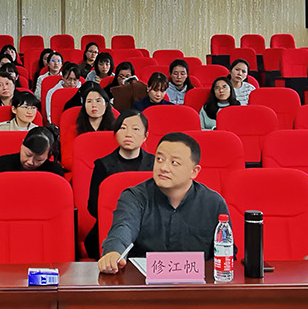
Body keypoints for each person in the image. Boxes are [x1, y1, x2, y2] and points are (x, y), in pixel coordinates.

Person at [98, 132, 229, 271]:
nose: (164, 168)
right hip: (142, 281)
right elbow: (123, 227)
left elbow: (226, 254)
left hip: (197, 282)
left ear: (194, 171)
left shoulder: (213, 203)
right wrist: (114, 252)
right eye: (159, 159)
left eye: (174, 162)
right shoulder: (134, 197)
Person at [85, 111, 151, 254]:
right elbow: (93, 206)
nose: (128, 134)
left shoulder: (155, 164)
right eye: (123, 128)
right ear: (115, 133)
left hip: (148, 232)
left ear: (145, 136)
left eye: (135, 129)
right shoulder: (103, 165)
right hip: (110, 230)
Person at [0, 126, 66, 178]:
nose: (30, 162)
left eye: (39, 160)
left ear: (49, 154)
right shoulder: (3, 163)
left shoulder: (54, 172)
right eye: (27, 155)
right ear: (22, 143)